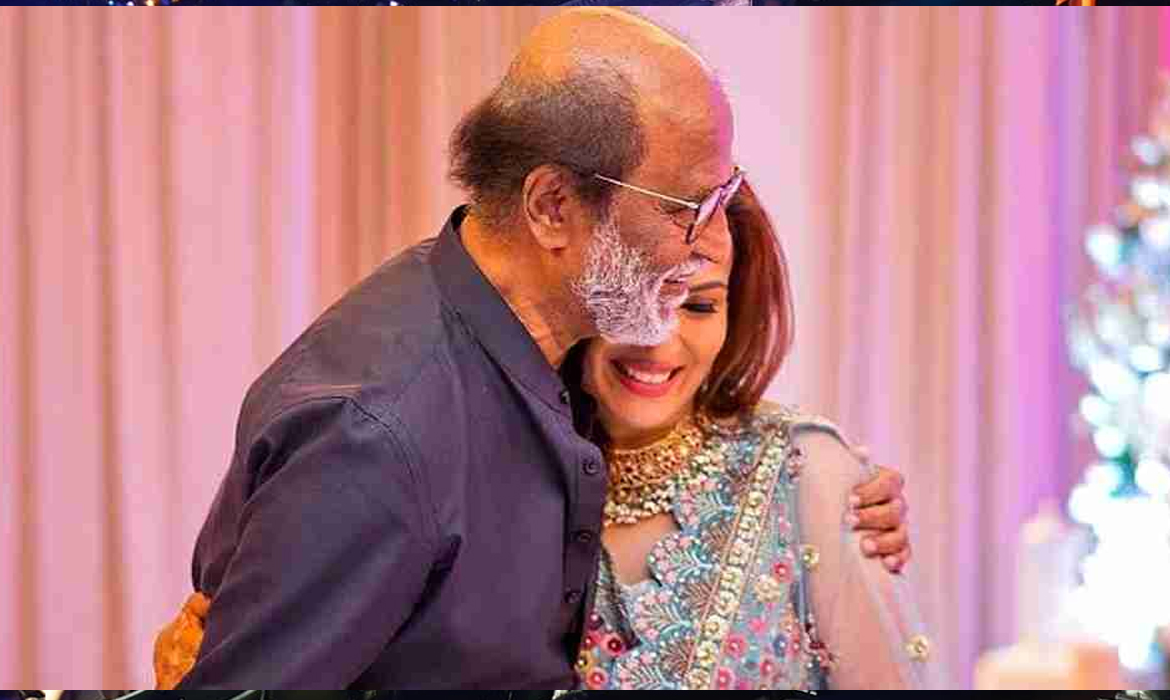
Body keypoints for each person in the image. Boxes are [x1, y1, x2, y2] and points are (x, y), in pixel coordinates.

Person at [172, 8, 914, 690]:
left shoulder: (547, 362)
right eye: (687, 208)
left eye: (725, 197)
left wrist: (828, 501)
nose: (714, 242)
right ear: (553, 207)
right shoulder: (377, 433)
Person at [559, 180, 942, 689]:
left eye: (699, 307)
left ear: (734, 313)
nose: (659, 339)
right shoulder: (507, 469)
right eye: (635, 296)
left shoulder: (800, 471)